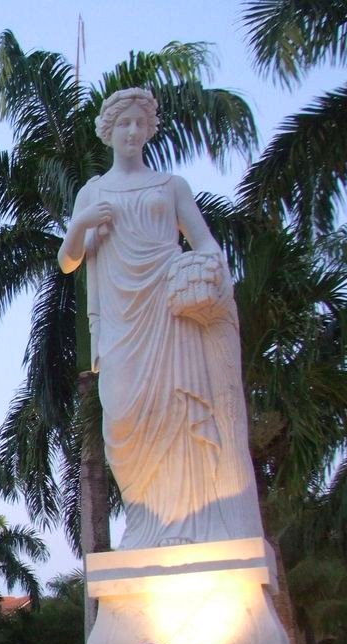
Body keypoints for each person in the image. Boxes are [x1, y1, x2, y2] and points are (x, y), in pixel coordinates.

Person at [58, 87, 264, 550]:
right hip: (120, 319)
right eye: (124, 123)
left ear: (149, 130)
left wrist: (206, 271)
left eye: (139, 123)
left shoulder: (171, 186)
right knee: (122, 418)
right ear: (109, 130)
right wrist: (81, 223)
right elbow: (68, 261)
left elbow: (205, 243)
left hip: (169, 311)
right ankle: (144, 522)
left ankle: (187, 525)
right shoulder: (93, 192)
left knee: (176, 411)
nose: (132, 131)